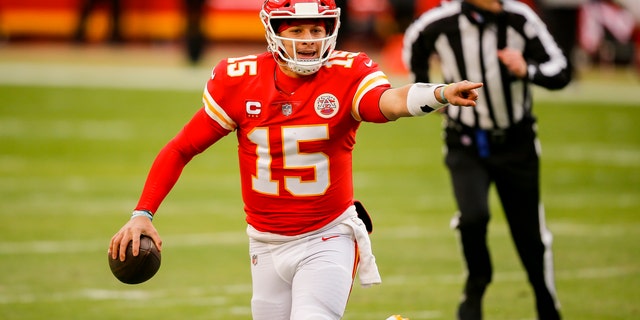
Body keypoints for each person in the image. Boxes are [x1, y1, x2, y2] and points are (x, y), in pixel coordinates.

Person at [109, 0, 482, 319]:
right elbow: (181, 148)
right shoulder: (238, 80)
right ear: (274, 31)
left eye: (316, 29)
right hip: (264, 243)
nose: (308, 40)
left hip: (327, 236)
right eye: (297, 30)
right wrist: (142, 213)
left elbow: (390, 102)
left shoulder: (347, 73)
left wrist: (439, 92)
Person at [402, 0, 571, 319]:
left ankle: (545, 301)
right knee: (473, 216)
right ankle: (477, 283)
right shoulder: (441, 22)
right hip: (465, 141)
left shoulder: (519, 19)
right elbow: (414, 40)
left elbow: (561, 69)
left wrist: (528, 69)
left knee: (529, 233)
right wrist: (426, 89)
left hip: (516, 143)